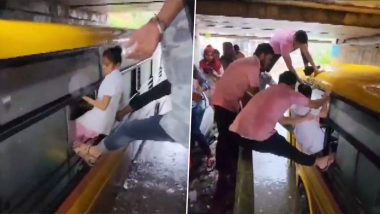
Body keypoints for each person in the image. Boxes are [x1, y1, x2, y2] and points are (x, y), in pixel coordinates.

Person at [74, 0, 193, 165]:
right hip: (183, 121)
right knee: (128, 129)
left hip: (182, 124)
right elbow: (165, 87)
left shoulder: (185, 33)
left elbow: (163, 88)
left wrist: (158, 26)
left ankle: (93, 152)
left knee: (128, 129)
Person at [211, 43, 275, 213]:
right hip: (224, 102)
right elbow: (254, 93)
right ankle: (224, 174)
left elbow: (245, 92)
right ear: (262, 55)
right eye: (268, 59)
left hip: (227, 101)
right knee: (226, 136)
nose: (268, 63)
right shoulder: (254, 64)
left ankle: (228, 170)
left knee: (230, 135)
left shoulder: (247, 62)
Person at [229, 71, 334, 170]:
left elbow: (283, 120)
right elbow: (315, 104)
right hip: (258, 138)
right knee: (289, 151)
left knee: (283, 145)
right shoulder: (290, 93)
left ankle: (316, 161)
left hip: (237, 135)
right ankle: (318, 162)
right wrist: (326, 98)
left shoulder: (269, 91)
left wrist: (305, 119)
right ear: (293, 85)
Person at [73, 46, 123, 147]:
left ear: (116, 65)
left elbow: (103, 106)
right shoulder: (118, 77)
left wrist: (85, 98)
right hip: (106, 121)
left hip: (98, 121)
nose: (103, 68)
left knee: (74, 127)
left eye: (107, 65)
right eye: (103, 64)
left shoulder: (110, 80)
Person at [290, 84, 329, 155]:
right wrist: (325, 98)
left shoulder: (293, 105)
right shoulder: (310, 108)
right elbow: (324, 113)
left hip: (304, 147)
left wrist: (312, 88)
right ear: (309, 96)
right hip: (317, 147)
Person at [191, 67, 215, 170]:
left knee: (195, 131)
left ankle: (210, 155)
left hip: (198, 105)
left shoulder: (193, 71)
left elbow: (206, 84)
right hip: (190, 105)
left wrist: (199, 90)